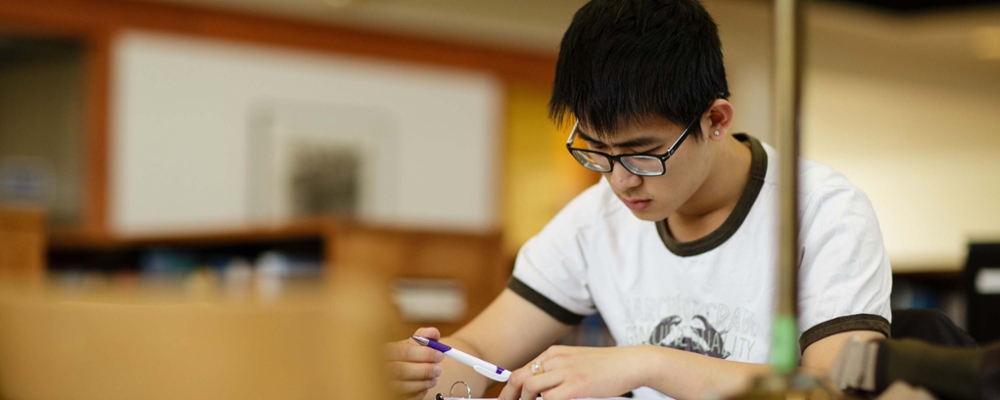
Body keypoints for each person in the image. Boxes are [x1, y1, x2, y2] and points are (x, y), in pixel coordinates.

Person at [383, 1, 892, 399]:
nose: (620, 181)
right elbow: (479, 349)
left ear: (716, 120)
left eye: (642, 154)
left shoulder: (823, 213)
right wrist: (424, 373)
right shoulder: (592, 224)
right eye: (597, 151)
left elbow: (838, 391)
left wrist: (647, 362)